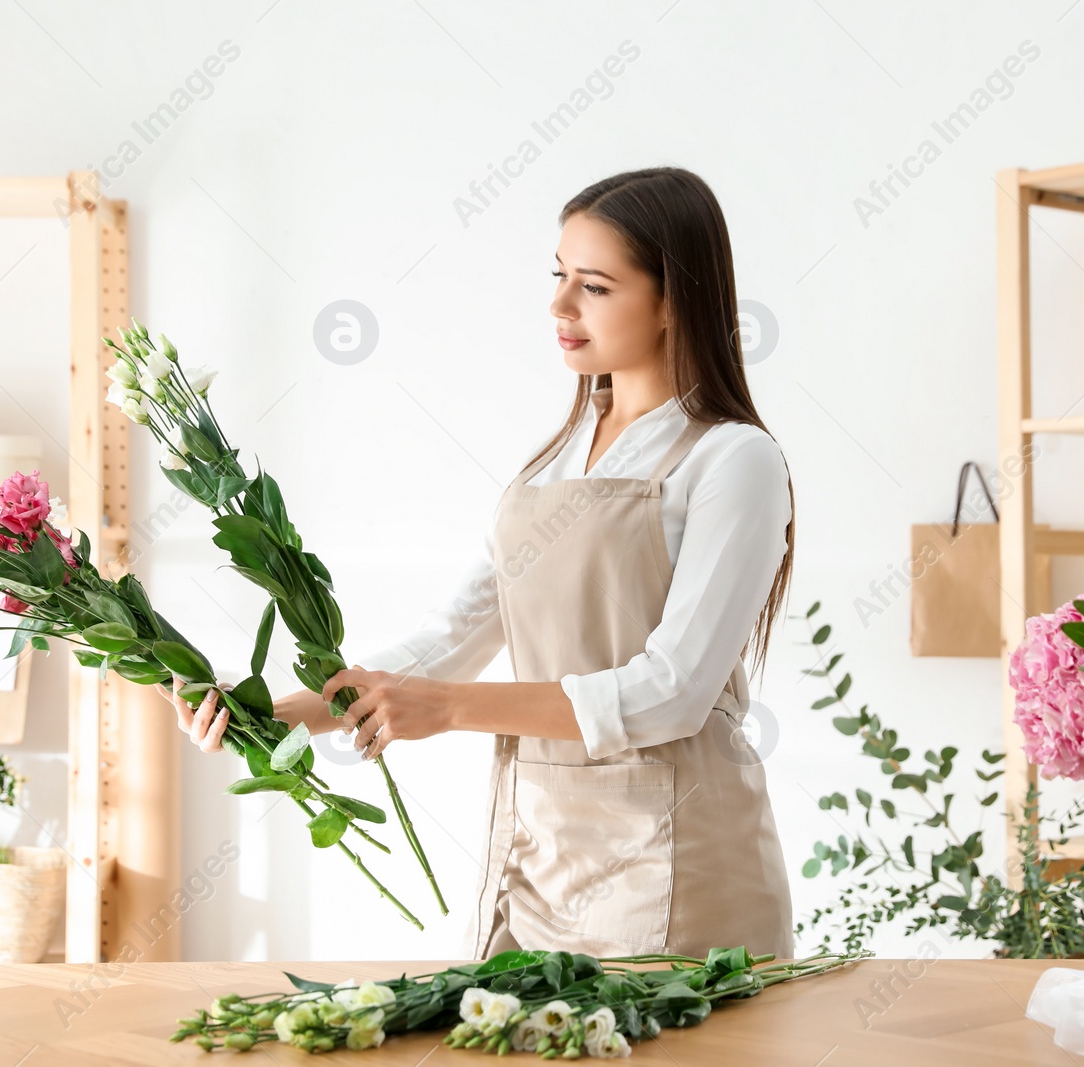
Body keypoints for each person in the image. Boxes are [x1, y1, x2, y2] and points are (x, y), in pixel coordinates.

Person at [173, 167, 797, 960]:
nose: (560, 307)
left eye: (595, 286)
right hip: (539, 857)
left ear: (674, 298)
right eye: (559, 276)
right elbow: (449, 640)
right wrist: (277, 713)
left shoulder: (732, 459)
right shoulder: (554, 463)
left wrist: (452, 708)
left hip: (678, 863)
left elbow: (672, 692)